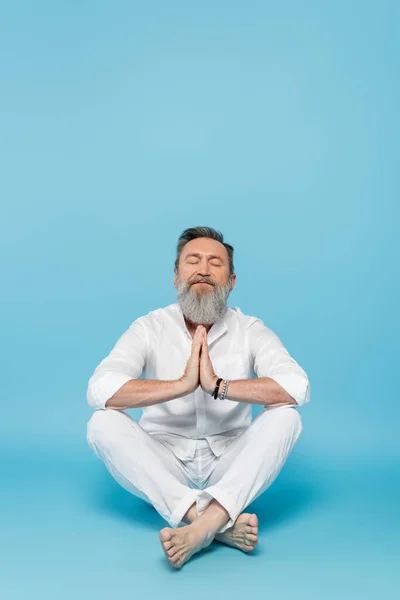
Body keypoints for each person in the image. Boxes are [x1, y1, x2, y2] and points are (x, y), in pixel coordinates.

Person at [86, 226, 311, 569]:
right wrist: (181, 384)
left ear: (231, 281)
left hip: (229, 464)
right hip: (163, 464)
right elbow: (100, 389)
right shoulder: (149, 327)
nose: (203, 269)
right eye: (193, 261)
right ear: (176, 276)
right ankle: (213, 524)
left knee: (288, 416)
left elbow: (297, 385)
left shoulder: (250, 329)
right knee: (101, 422)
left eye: (215, 263)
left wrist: (218, 385)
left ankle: (200, 524)